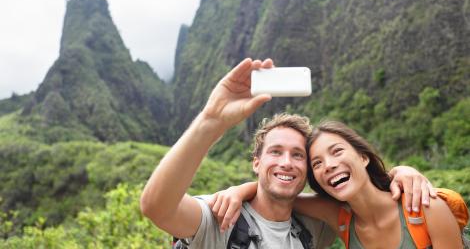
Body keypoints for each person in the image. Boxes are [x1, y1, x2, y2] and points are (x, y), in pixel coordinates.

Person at [140, 58, 435, 248]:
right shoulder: (221, 216)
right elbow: (157, 207)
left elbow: (367, 197)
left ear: (308, 170)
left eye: (298, 155)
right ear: (256, 162)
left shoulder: (317, 225)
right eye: (275, 152)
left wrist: (401, 172)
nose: (286, 162)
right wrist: (210, 121)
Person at [211, 120, 463, 248]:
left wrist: (402, 170)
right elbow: (278, 193)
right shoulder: (340, 217)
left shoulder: (425, 208)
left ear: (363, 157)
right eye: (317, 163)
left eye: (337, 151)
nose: (328, 165)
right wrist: (238, 190)